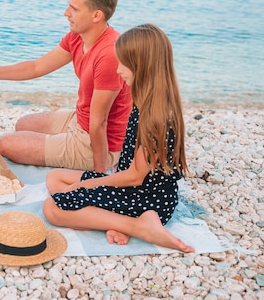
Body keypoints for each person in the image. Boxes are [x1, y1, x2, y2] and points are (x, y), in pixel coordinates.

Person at [42, 24, 194, 253]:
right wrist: (89, 183)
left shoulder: (156, 117)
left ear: (141, 66)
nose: (118, 69)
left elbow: (134, 177)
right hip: (134, 186)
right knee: (55, 178)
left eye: (124, 63)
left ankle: (138, 226)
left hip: (147, 199)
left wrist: (88, 184)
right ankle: (118, 220)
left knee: (52, 207)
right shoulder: (146, 100)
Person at [0, 0, 131, 173]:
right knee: (23, 124)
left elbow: (99, 123)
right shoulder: (78, 37)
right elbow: (36, 67)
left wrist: (99, 178)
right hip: (80, 120)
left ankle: (96, 163)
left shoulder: (109, 53)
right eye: (68, 6)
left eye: (74, 9)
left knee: (6, 145)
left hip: (98, 142)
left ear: (96, 15)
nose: (65, 13)